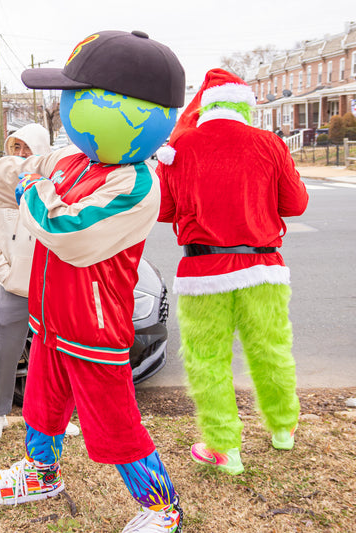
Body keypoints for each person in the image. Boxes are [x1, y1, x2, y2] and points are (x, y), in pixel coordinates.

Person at [0, 31, 186, 532]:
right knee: (41, 404)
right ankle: (41, 474)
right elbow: (11, 170)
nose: (67, 104)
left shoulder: (136, 185)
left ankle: (162, 507)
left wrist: (33, 190)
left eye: (78, 94)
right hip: (50, 319)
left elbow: (67, 231)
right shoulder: (69, 160)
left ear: (123, 110)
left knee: (115, 422)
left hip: (94, 332)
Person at [155, 68, 309, 475]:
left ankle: (224, 447)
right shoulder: (269, 143)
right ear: (245, 106)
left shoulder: (181, 146)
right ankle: (283, 428)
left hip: (202, 271)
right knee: (271, 350)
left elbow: (164, 210)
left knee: (208, 360)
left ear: (205, 106)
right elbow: (295, 204)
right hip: (262, 269)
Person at [0, 123, 79, 441]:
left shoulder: (58, 187)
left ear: (42, 151)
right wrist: (5, 274)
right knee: (4, 353)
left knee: (55, 357)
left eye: (27, 147)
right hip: (14, 289)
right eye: (15, 147)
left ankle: (55, 416)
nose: (20, 154)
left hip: (53, 288)